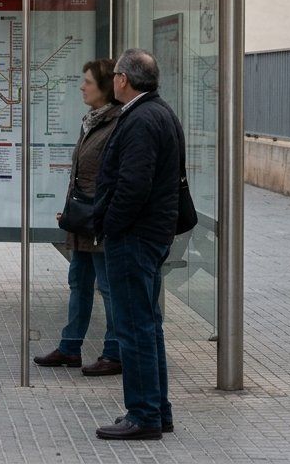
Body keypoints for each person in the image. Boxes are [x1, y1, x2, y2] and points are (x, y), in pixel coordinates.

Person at [93, 48, 183, 441]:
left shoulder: (141, 119)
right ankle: (157, 411)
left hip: (135, 236)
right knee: (148, 325)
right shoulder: (159, 112)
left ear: (124, 79)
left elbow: (133, 184)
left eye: (115, 74)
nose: (112, 79)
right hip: (150, 233)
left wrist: (110, 226)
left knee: (133, 328)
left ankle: (143, 414)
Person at [34, 59, 123, 376]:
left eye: (87, 81)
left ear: (104, 87)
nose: (82, 87)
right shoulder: (92, 120)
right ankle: (70, 347)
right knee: (79, 283)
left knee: (108, 288)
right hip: (81, 218)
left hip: (98, 220)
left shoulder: (116, 123)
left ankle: (115, 352)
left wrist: (93, 211)